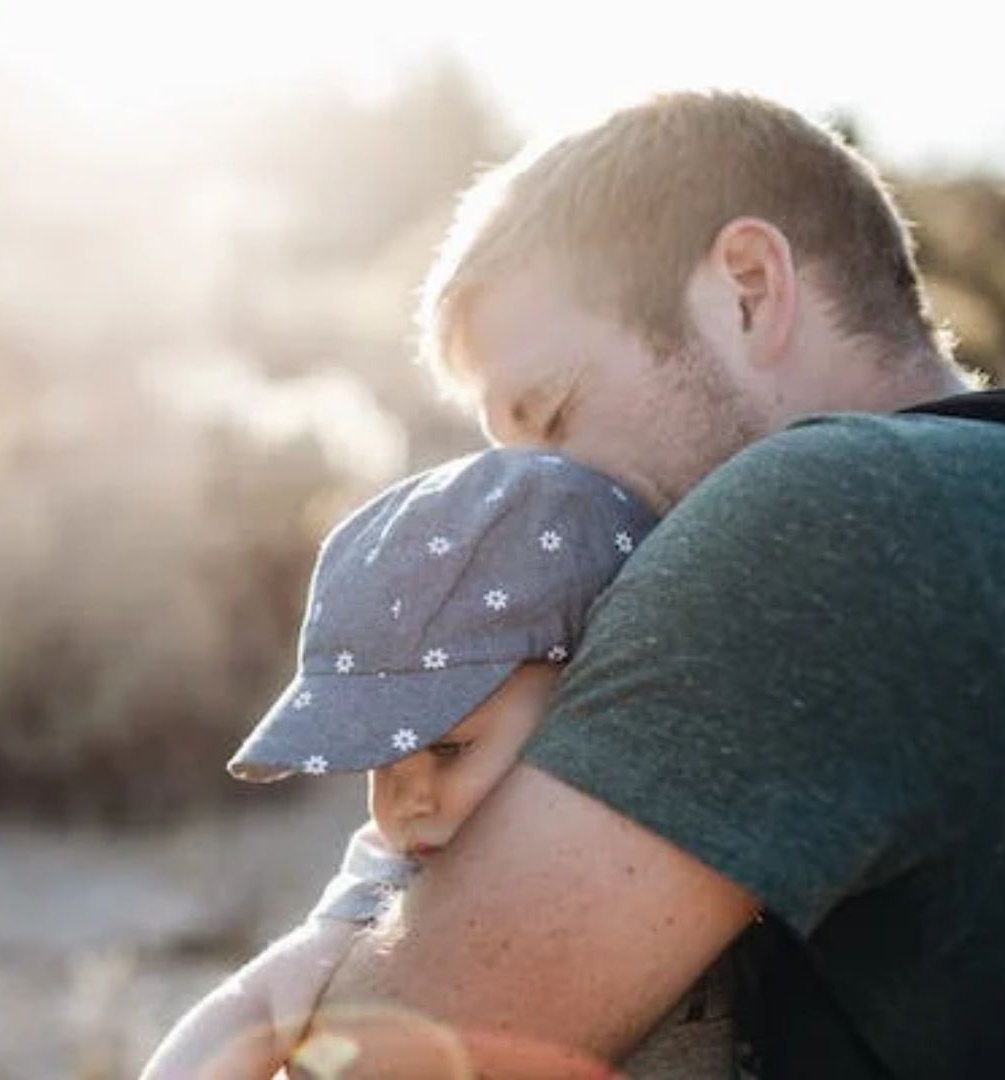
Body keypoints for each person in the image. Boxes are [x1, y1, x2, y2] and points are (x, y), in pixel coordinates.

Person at [294, 90, 1005, 1078]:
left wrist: (320, 952)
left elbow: (380, 1065)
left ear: (747, 287)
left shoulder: (818, 517)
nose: (537, 501)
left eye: (554, 414)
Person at [142, 449, 729, 1077]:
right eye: (381, 760)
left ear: (588, 692)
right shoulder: (395, 877)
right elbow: (255, 1003)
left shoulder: (681, 818)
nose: (407, 799)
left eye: (448, 749)